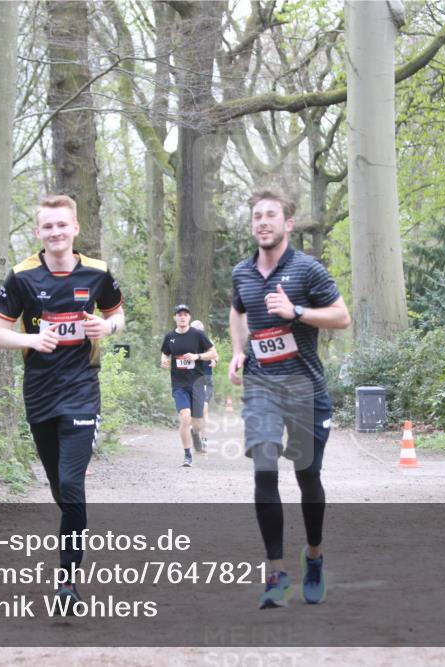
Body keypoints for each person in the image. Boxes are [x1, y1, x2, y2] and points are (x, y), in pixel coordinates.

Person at [0, 194, 124, 613]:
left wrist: (107, 326)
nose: (55, 233)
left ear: (75, 228)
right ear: (38, 232)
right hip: (40, 392)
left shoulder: (98, 273)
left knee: (71, 485)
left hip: (83, 389)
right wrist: (31, 338)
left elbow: (119, 316)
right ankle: (72, 529)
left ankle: (67, 581)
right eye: (47, 226)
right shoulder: (21, 277)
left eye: (62, 225)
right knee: (59, 489)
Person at [228, 188, 351, 609]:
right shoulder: (242, 272)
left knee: (306, 476)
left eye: (271, 215)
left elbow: (341, 316)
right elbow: (238, 309)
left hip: (305, 388)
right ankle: (276, 572)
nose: (263, 222)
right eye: (257, 216)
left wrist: (296, 312)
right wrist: (238, 350)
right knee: (264, 471)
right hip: (262, 386)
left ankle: (313, 556)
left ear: (288, 223)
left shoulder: (308, 270)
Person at [160, 305, 218, 466]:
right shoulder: (170, 336)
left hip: (197, 383)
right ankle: (187, 455)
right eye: (179, 315)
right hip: (179, 384)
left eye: (185, 314)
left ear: (189, 318)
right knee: (185, 417)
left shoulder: (198, 335)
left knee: (197, 423)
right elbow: (165, 352)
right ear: (175, 318)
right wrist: (163, 360)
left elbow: (213, 353)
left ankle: (195, 433)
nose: (182, 317)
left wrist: (197, 356)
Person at [190, 319, 218, 427]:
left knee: (204, 407)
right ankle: (195, 429)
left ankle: (203, 436)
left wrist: (214, 360)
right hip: (191, 379)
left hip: (205, 378)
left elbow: (216, 355)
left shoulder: (208, 342)